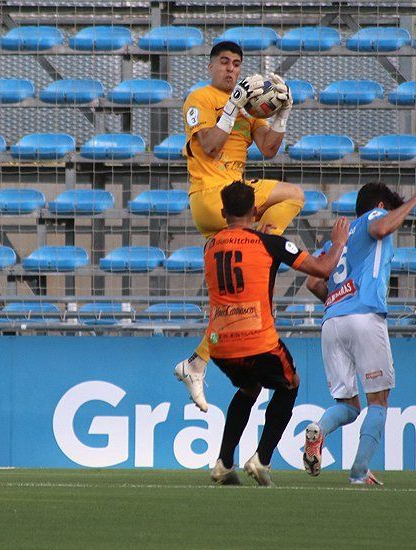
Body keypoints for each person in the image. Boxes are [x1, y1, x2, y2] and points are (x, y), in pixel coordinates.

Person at [175, 40, 306, 414]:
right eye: (224, 62)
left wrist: (281, 116)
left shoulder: (249, 107)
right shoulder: (199, 99)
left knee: (238, 304)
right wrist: (232, 104)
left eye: (236, 64)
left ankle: (196, 363)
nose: (230, 69)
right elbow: (212, 146)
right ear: (211, 65)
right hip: (211, 196)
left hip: (233, 208)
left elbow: (268, 149)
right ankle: (267, 247)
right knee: (293, 194)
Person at [205, 181, 348, 486]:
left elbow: (241, 257)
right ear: (255, 211)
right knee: (289, 385)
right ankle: (262, 459)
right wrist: (338, 242)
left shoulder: (211, 245)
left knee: (248, 389)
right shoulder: (271, 243)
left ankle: (223, 463)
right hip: (256, 339)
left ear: (222, 212)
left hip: (219, 344)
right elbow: (322, 269)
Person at [302, 180, 416, 485]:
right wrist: (415, 197)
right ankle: (359, 472)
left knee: (347, 407)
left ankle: (318, 431)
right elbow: (380, 228)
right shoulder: (373, 219)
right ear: (380, 207)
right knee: (378, 402)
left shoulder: (339, 238)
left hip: (332, 321)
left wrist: (339, 300)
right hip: (364, 316)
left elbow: (312, 282)